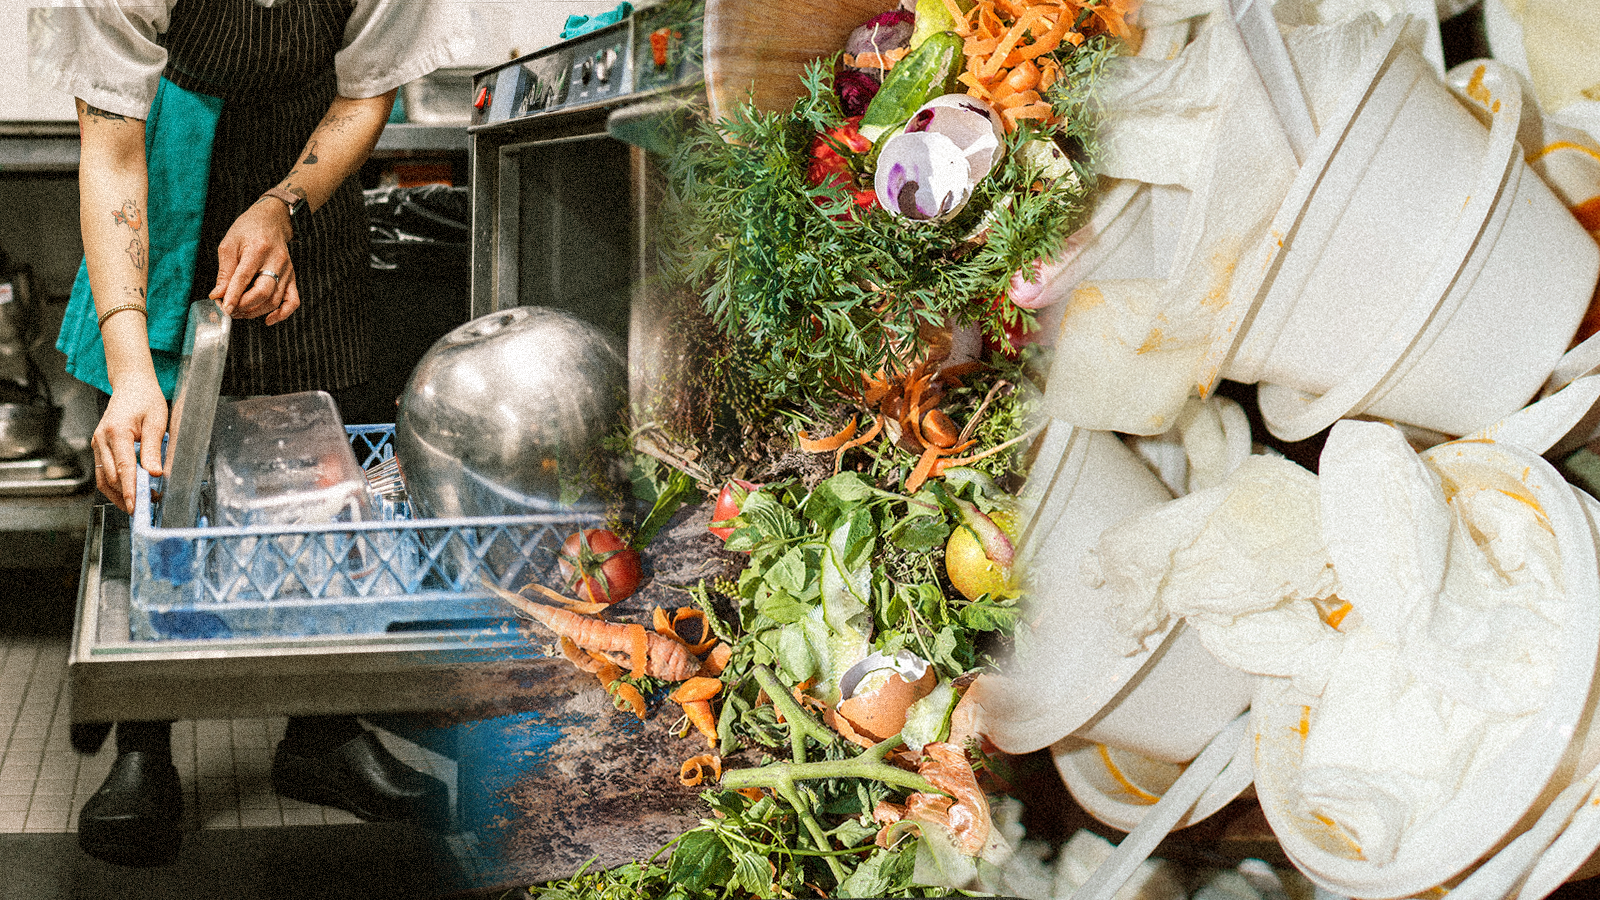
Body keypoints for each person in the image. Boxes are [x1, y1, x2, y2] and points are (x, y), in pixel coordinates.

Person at [31, 0, 471, 867]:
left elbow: (366, 89)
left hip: (310, 196)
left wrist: (284, 206)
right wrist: (128, 374)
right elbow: (113, 149)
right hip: (165, 183)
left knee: (320, 443)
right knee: (161, 465)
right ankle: (142, 742)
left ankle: (321, 732)